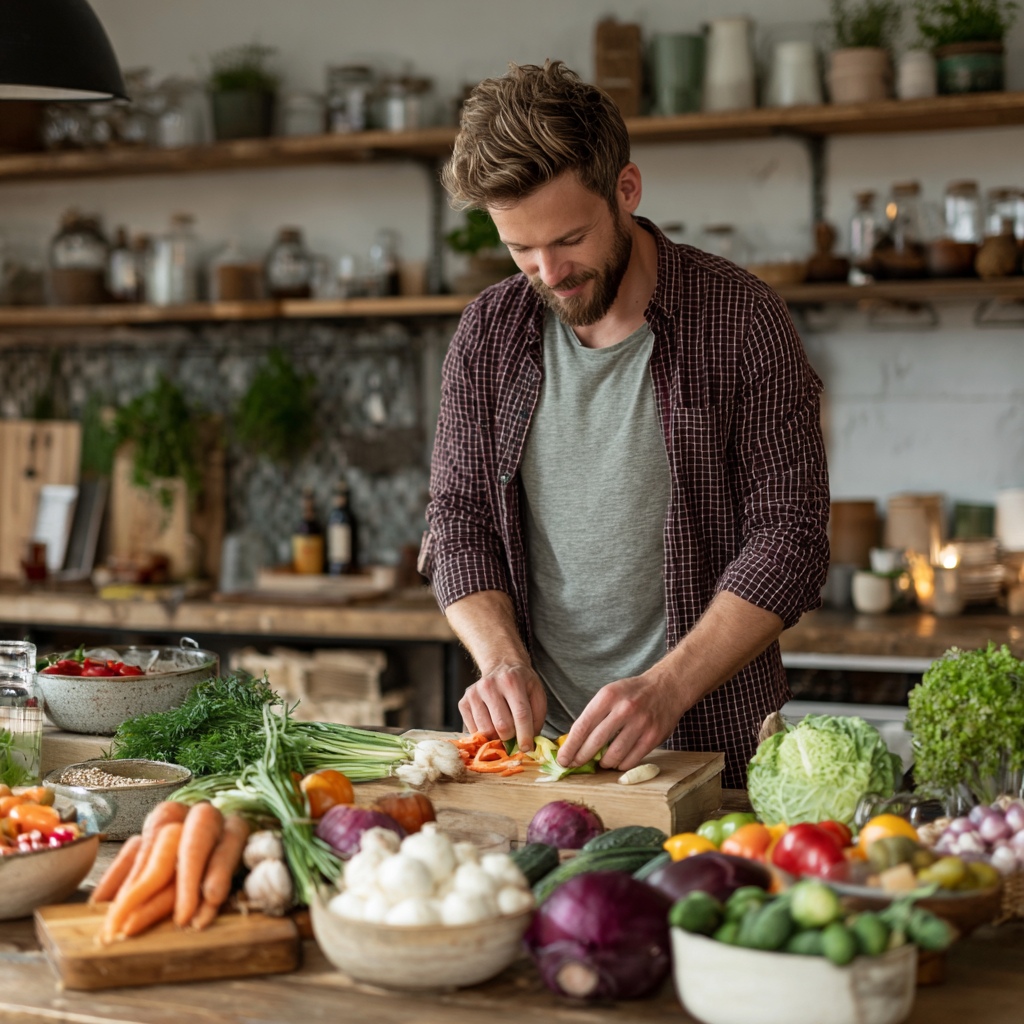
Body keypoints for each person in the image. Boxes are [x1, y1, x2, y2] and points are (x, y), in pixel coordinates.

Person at [418, 61, 829, 788]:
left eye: (569, 238)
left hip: (711, 749)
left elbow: (790, 539)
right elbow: (458, 521)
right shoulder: (487, 334)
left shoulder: (741, 321)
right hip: (538, 763)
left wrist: (666, 689)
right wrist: (501, 659)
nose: (548, 271)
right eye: (519, 249)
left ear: (626, 190)